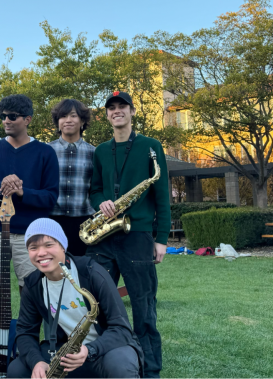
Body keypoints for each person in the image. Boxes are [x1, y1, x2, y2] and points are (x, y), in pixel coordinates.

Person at [87, 91, 170, 379]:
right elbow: (94, 189)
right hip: (104, 236)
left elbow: (162, 196)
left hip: (139, 236)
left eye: (122, 106)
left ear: (132, 112)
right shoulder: (100, 151)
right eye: (112, 108)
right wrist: (101, 201)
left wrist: (161, 240)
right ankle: (103, 364)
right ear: (107, 115)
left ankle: (150, 371)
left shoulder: (150, 146)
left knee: (144, 307)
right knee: (95, 305)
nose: (117, 111)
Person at [10, 218, 143, 379]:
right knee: (17, 370)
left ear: (62, 246)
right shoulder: (33, 285)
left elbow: (122, 329)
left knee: (120, 366)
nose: (41, 253)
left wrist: (90, 350)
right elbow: (25, 332)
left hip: (105, 351)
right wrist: (36, 362)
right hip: (68, 354)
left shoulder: (92, 273)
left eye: (48, 245)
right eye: (33, 248)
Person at [0, 94, 59, 289]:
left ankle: (28, 322)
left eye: (12, 116)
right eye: (2, 116)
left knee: (33, 290)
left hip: (32, 232)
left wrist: (22, 192)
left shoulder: (45, 152)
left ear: (27, 119)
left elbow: (51, 197)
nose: (6, 121)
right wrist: (2, 185)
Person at [47, 99, 96, 256]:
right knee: (54, 272)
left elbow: (97, 188)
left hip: (84, 224)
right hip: (52, 221)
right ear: (58, 122)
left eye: (73, 116)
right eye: (63, 116)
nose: (68, 120)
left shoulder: (94, 153)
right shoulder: (45, 151)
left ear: (82, 121)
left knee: (82, 274)